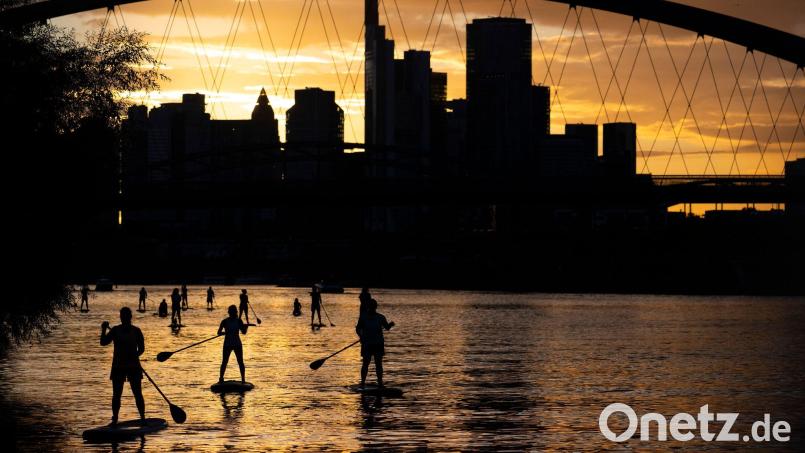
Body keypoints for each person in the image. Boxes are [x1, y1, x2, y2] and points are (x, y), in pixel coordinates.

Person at [100, 307, 145, 425]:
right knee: (116, 395)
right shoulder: (115, 330)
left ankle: (143, 418)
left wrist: (134, 355)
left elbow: (142, 349)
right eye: (122, 316)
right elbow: (103, 342)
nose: (123, 318)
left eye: (125, 316)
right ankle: (115, 419)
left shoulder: (136, 331)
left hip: (133, 366)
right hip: (118, 366)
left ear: (130, 317)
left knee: (137, 393)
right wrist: (103, 329)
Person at [356, 299, 394, 388]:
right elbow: (358, 329)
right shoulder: (363, 317)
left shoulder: (381, 317)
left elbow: (387, 327)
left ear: (375, 307)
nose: (372, 308)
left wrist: (391, 325)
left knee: (378, 363)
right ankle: (362, 383)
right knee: (366, 363)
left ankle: (380, 383)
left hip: (378, 344)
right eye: (371, 306)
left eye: (373, 307)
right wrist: (361, 336)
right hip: (367, 344)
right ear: (369, 307)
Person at [218, 305, 249, 383]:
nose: (232, 313)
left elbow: (244, 332)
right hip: (227, 344)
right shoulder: (224, 321)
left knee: (240, 362)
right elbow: (219, 332)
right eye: (231, 312)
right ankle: (221, 378)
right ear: (229, 312)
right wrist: (225, 332)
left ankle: (243, 380)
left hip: (237, 344)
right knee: (224, 362)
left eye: (233, 312)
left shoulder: (239, 321)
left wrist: (246, 327)